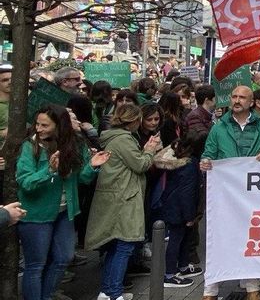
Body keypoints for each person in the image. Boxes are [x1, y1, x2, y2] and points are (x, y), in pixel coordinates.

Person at [16, 104, 110, 300]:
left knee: (63, 258)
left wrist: (92, 166)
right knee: (36, 265)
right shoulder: (30, 146)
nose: (39, 129)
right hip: (36, 214)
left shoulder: (75, 143)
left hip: (65, 211)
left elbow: (82, 178)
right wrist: (48, 171)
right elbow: (25, 182)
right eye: (37, 124)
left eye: (44, 125)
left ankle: (46, 295)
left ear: (60, 126)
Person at [200, 85, 260, 300]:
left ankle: (252, 287)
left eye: (242, 97)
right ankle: (210, 290)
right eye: (234, 96)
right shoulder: (218, 128)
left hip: (253, 196)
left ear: (252, 102)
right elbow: (208, 155)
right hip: (225, 196)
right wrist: (205, 163)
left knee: (251, 239)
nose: (236, 100)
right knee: (219, 239)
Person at [85, 104, 162, 300]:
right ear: (135, 121)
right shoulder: (124, 140)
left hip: (116, 196)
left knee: (115, 246)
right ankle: (113, 292)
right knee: (124, 246)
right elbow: (141, 164)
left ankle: (108, 290)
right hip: (124, 198)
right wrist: (150, 150)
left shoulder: (114, 137)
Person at [152, 135, 202, 288]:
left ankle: (183, 266)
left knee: (183, 238)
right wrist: (189, 215)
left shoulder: (175, 162)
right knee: (176, 240)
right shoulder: (190, 165)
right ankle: (170, 274)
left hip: (172, 205)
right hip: (180, 209)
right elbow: (187, 192)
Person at [185, 85, 215, 158]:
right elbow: (200, 140)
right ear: (207, 100)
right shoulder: (195, 116)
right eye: (215, 99)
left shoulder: (206, 115)